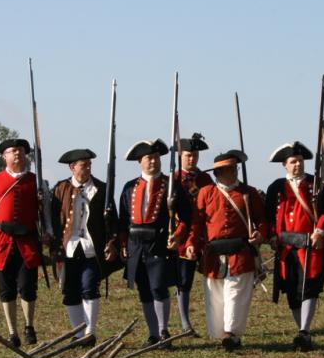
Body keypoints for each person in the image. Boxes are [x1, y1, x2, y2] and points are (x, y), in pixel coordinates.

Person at [185, 150, 268, 351]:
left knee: (236, 294)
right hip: (213, 255)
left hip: (240, 253)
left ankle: (231, 333)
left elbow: (263, 221)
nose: (233, 172)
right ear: (218, 173)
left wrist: (260, 234)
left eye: (234, 168)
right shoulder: (206, 193)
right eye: (228, 169)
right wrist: (190, 244)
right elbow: (197, 223)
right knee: (217, 295)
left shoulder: (249, 193)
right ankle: (224, 334)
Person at [118, 139, 191, 347]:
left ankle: (163, 331)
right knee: (144, 290)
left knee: (159, 287)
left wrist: (177, 235)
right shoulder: (129, 187)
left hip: (160, 243)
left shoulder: (171, 185)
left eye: (157, 158)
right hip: (136, 245)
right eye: (149, 158)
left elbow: (186, 216)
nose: (153, 162)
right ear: (140, 161)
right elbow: (123, 220)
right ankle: (152, 334)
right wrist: (123, 243)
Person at [0, 138, 42, 348]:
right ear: (5, 156)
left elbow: (44, 213)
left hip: (27, 241)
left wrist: (47, 233)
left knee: (28, 287)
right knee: (6, 289)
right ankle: (13, 332)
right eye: (12, 151)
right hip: (1, 242)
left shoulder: (36, 181)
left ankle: (29, 326)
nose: (17, 154)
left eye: (20, 150)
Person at [265, 141, 324, 351]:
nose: (297, 165)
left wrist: (320, 231)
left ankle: (304, 330)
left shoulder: (318, 184)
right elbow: (268, 216)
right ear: (285, 165)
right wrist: (271, 236)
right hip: (286, 248)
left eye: (300, 161)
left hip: (309, 246)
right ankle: (302, 331)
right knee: (292, 291)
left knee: (309, 288)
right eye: (293, 162)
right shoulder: (276, 187)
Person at [50, 149, 122, 346]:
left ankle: (90, 332)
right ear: (72, 167)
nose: (88, 168)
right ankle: (78, 333)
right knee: (70, 290)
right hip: (69, 248)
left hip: (91, 247)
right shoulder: (60, 189)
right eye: (84, 165)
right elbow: (53, 220)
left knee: (90, 287)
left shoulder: (101, 188)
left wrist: (112, 242)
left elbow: (112, 222)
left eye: (89, 164)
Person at [172, 133, 213, 336]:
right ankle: (185, 323)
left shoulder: (205, 178)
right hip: (181, 235)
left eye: (194, 155)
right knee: (183, 280)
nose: (192, 159)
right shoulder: (173, 179)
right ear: (181, 156)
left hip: (204, 235)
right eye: (188, 155)